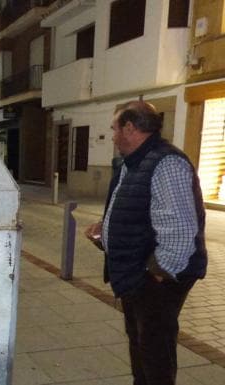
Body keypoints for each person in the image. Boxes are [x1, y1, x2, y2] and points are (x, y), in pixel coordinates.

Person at [85, 101, 207, 385]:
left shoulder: (166, 162)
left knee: (155, 349)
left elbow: (179, 228)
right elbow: (140, 211)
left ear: (130, 127)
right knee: (140, 342)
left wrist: (158, 272)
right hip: (138, 273)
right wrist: (107, 231)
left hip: (156, 278)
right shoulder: (135, 161)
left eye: (115, 129)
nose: (113, 136)